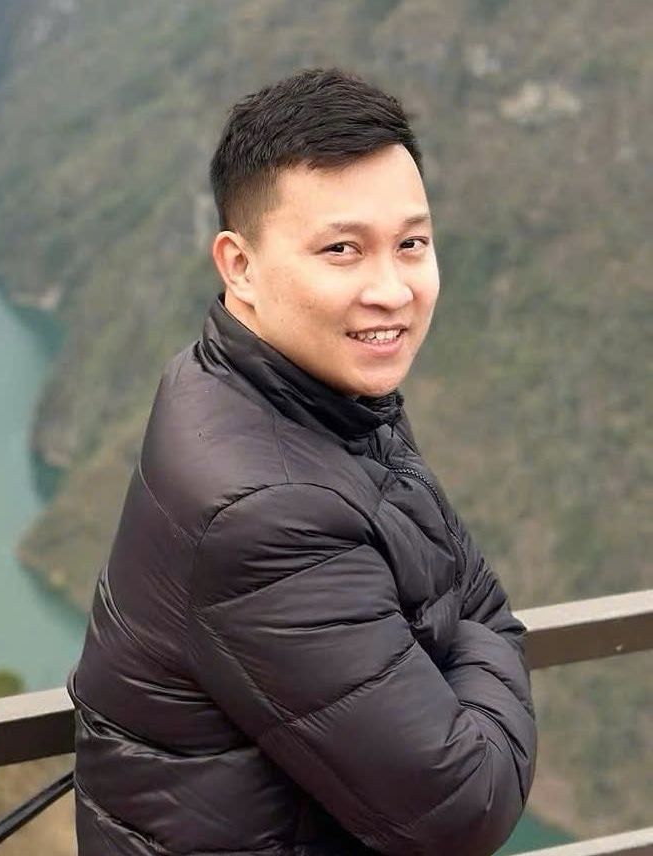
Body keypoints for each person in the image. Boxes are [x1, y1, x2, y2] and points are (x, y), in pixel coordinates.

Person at [68, 67, 537, 856]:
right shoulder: (263, 509)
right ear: (239, 266)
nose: (392, 290)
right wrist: (483, 628)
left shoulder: (273, 385)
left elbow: (456, 584)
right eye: (342, 250)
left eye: (412, 244)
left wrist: (464, 623)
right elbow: (466, 807)